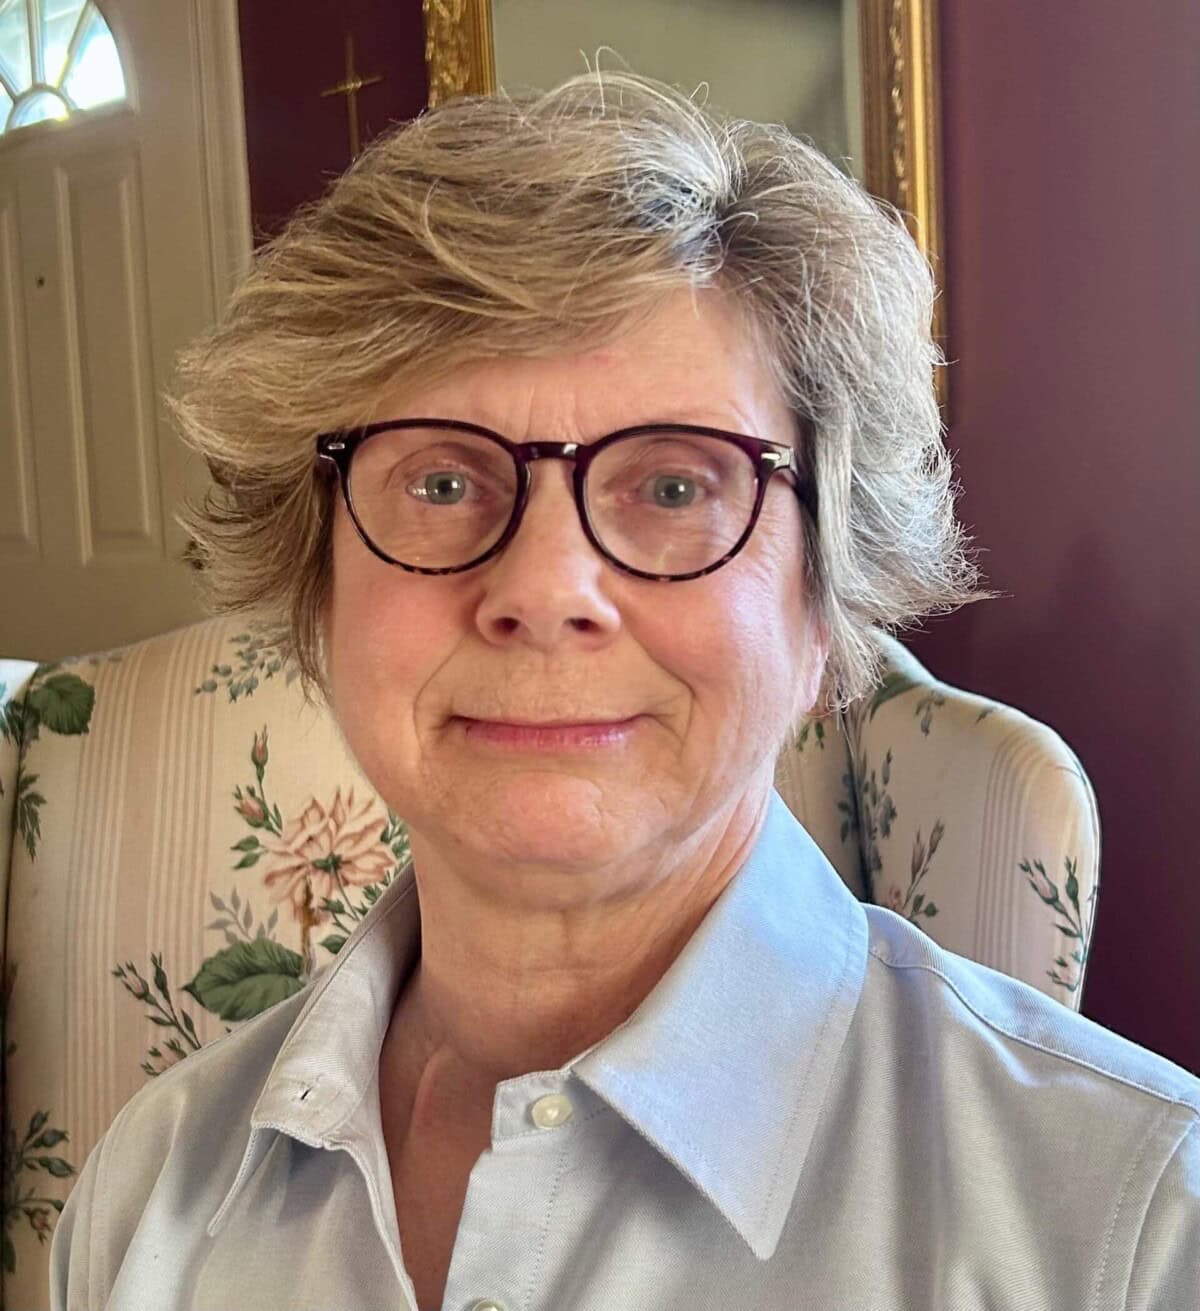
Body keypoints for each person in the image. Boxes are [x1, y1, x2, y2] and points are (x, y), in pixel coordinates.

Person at [50, 71, 1197, 1311]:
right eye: (440, 482)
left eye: (674, 487)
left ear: (824, 600)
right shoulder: (150, 1190)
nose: (543, 590)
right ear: (317, 587)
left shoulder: (1132, 1224)